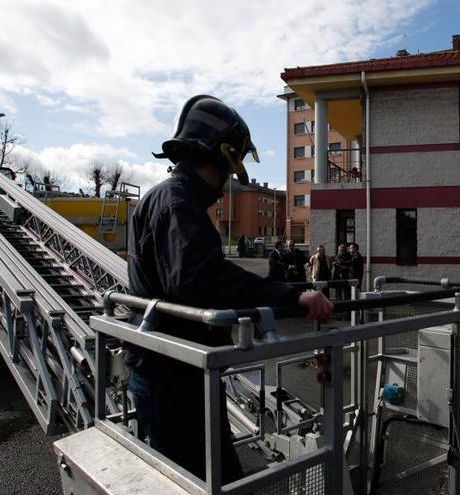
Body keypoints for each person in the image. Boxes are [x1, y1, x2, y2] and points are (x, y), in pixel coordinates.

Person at [125, 94, 333, 482]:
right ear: (222, 155)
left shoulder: (159, 198)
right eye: (230, 168)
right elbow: (204, 283)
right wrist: (291, 296)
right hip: (175, 374)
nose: (225, 187)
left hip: (165, 364)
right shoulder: (179, 205)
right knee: (207, 480)